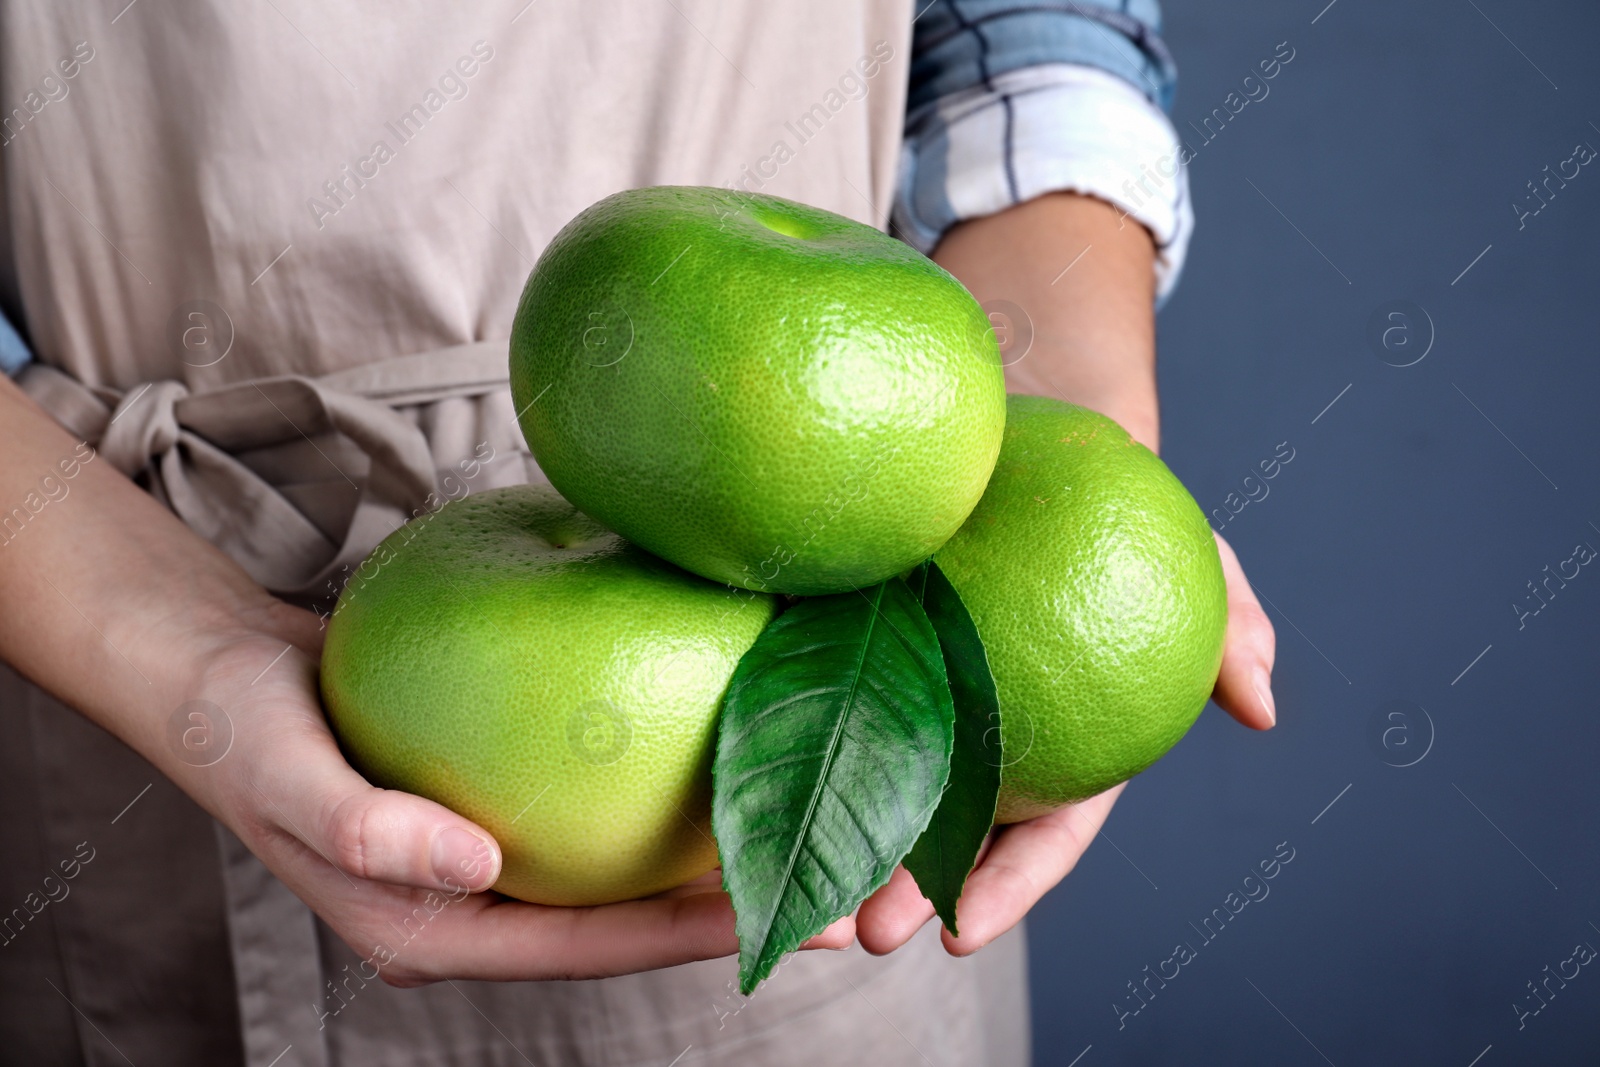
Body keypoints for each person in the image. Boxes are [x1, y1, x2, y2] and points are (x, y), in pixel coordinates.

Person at [0, 1, 1276, 1063]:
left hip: (806, 664)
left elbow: (1027, 32)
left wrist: (1059, 463)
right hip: (101, 613)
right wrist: (173, 632)